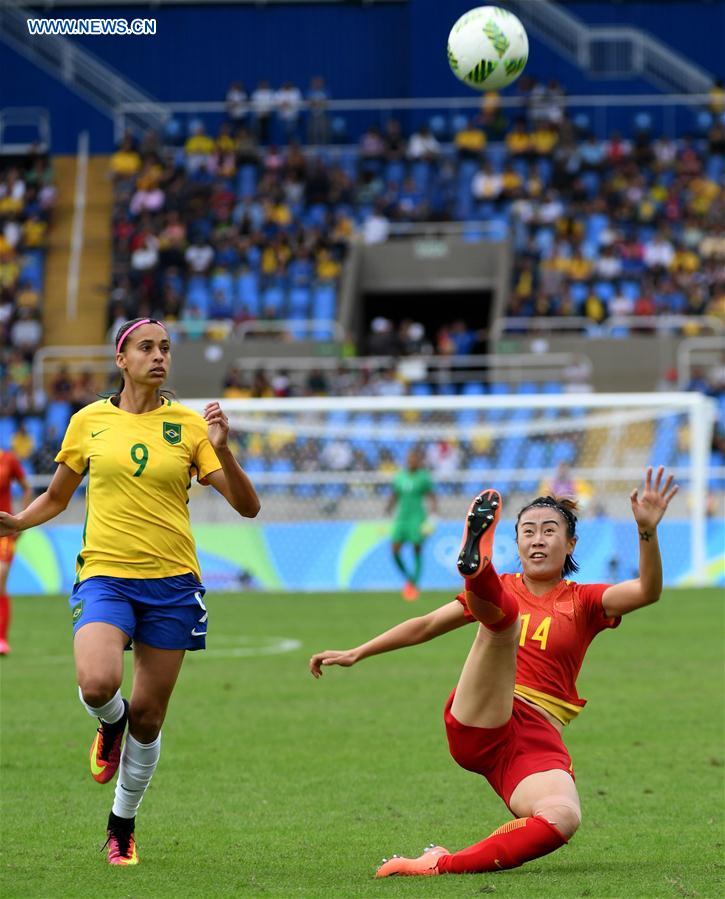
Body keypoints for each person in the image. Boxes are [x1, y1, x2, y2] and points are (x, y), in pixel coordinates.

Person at [310, 466, 677, 876]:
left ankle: (438, 865)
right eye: (529, 531)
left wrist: (647, 531)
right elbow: (427, 625)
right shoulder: (509, 590)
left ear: (571, 542)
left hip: (534, 738)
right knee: (504, 620)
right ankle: (476, 571)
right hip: (481, 717)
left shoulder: (586, 601)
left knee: (562, 817)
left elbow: (648, 590)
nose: (538, 539)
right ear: (516, 541)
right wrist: (358, 651)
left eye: (550, 530)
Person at [0, 318, 260, 865]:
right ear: (121, 358)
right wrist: (19, 521)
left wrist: (223, 450)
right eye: (146, 347)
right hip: (105, 574)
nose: (158, 356)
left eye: (165, 348)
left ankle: (122, 824)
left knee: (150, 716)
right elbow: (57, 495)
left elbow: (247, 506)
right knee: (98, 683)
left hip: (172, 584)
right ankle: (108, 722)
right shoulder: (88, 422)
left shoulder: (189, 426)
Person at [384, 448, 438, 601]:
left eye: (415, 458)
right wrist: (388, 508)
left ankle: (413, 585)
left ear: (419, 461)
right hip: (401, 518)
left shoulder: (423, 478)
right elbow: (395, 494)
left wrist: (433, 516)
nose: (412, 461)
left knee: (417, 549)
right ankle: (410, 579)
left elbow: (432, 497)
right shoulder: (400, 477)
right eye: (410, 458)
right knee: (394, 549)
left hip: (417, 519)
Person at [0, 447, 32, 654]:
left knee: (0, 578)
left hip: (3, 532)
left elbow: (26, 487)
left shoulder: (8, 459)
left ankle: (2, 639)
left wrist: (22, 519)